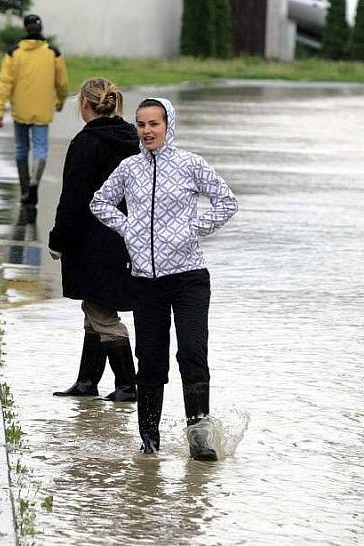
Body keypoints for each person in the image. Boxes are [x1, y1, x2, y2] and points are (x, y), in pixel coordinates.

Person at [91, 98, 238, 461]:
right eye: (141, 124)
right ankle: (149, 441)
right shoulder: (129, 168)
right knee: (151, 360)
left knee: (192, 353)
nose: (147, 131)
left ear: (168, 124)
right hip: (146, 281)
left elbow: (226, 201)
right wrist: (129, 228)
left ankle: (199, 439)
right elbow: (100, 202)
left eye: (154, 124)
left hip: (189, 278)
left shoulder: (191, 165)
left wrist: (194, 230)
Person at [48, 78, 140, 402]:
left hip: (92, 242)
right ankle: (87, 381)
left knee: (102, 313)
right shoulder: (135, 140)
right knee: (94, 306)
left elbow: (73, 197)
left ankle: (128, 385)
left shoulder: (86, 143)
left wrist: (58, 240)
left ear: (85, 105)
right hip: (126, 240)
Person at [0, 13, 69, 206]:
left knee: (21, 148)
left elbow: (5, 82)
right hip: (43, 109)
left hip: (20, 109)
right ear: (41, 28)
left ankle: (24, 188)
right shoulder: (53, 52)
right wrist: (61, 100)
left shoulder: (14, 53)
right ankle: (35, 183)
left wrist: (0, 108)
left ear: (25, 29)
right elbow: (61, 82)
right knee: (40, 148)